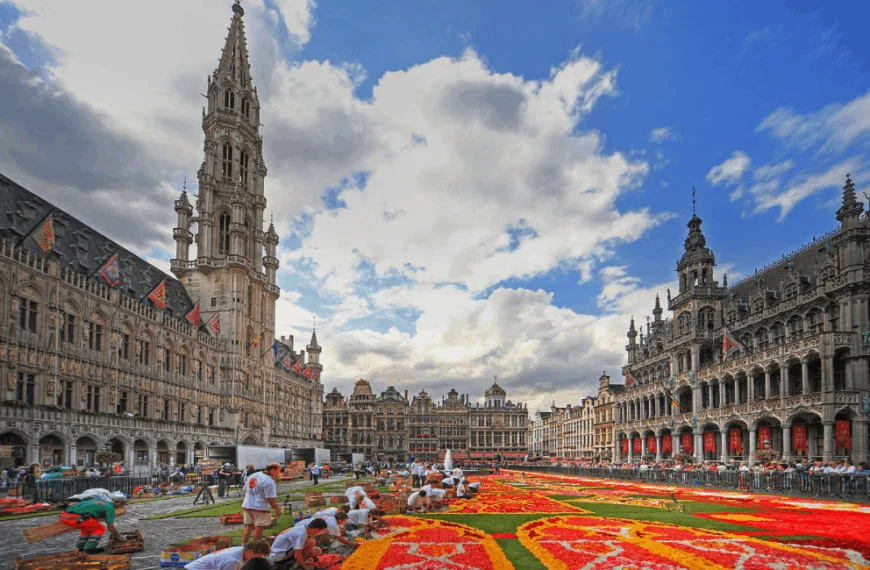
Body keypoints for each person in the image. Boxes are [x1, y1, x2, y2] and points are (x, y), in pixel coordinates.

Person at [59, 496, 126, 553]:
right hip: (76, 518)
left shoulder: (100, 499)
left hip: (64, 516)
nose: (123, 506)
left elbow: (89, 503)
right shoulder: (110, 508)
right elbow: (110, 526)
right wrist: (118, 536)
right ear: (119, 504)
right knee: (100, 528)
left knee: (88, 527)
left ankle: (79, 547)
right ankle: (89, 549)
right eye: (123, 505)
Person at [242, 462, 283, 544]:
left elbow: (245, 489)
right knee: (259, 527)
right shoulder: (269, 481)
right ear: (273, 470)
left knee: (249, 526)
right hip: (260, 506)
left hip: (247, 504)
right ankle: (256, 547)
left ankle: (243, 545)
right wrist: (277, 509)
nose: (279, 473)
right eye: (278, 471)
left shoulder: (254, 475)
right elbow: (271, 499)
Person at [185, 540, 271, 570]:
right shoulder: (233, 561)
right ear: (250, 552)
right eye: (258, 558)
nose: (257, 561)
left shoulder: (241, 549)